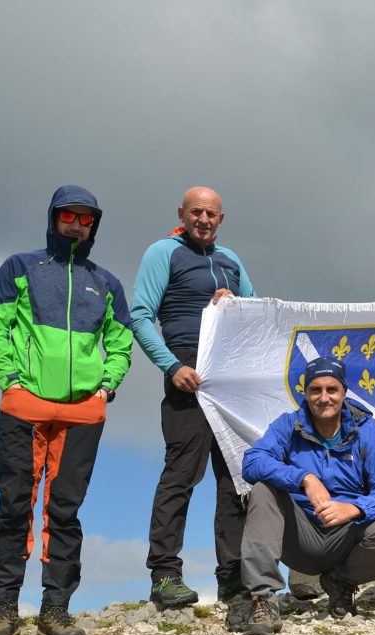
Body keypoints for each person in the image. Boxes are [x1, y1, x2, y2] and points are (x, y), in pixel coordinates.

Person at [0, 185, 133, 635]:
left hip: (83, 411)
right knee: (14, 504)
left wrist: (106, 387)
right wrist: (10, 380)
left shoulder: (105, 281)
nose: (77, 224)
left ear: (94, 226)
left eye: (87, 219)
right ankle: (2, 609)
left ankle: (56, 610)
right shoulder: (20, 267)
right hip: (25, 404)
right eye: (70, 215)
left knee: (65, 512)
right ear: (53, 217)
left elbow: (121, 341)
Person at [130, 187, 256, 610]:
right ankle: (165, 575)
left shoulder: (232, 260)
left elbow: (258, 314)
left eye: (211, 213)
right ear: (182, 214)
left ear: (222, 219)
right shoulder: (162, 252)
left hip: (229, 371)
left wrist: (235, 302)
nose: (203, 219)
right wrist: (170, 366)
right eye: (196, 212)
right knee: (182, 473)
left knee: (234, 476)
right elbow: (141, 316)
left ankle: (234, 578)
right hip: (187, 366)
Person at [238, 357, 375, 635]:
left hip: (346, 536)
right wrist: (304, 479)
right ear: (305, 393)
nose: (324, 397)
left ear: (343, 393)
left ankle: (341, 582)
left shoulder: (365, 432)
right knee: (262, 491)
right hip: (300, 535)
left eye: (332, 389)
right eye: (315, 390)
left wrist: (354, 508)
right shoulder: (287, 426)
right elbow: (252, 462)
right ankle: (263, 599)